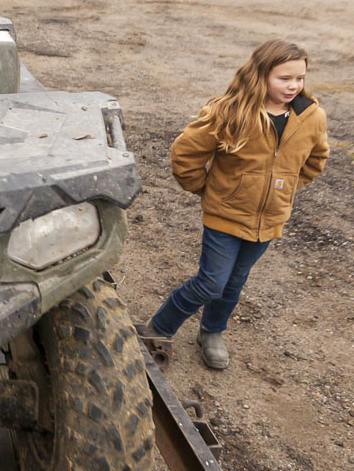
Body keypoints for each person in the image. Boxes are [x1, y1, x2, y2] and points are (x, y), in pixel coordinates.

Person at [140, 39, 329, 370]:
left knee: (234, 283)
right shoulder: (230, 111)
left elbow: (316, 159)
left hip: (269, 220)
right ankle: (159, 329)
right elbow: (186, 153)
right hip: (224, 216)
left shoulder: (311, 116)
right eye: (284, 78)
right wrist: (207, 189)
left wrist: (286, 188)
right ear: (260, 74)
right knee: (211, 282)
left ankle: (211, 332)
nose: (293, 86)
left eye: (299, 78)